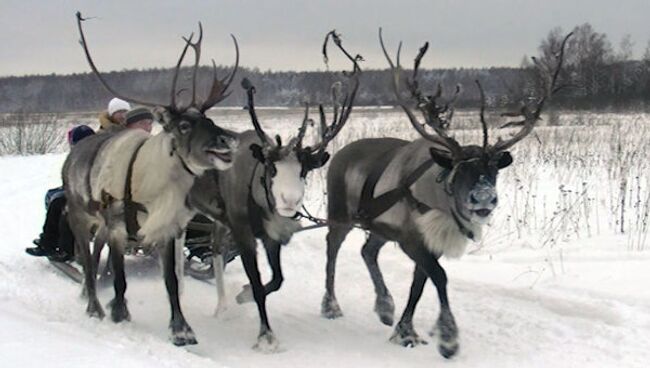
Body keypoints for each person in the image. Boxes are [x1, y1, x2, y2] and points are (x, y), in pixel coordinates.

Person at [26, 125, 95, 262]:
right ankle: (50, 240)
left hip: (91, 198)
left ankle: (62, 248)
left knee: (61, 205)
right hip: (84, 193)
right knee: (54, 196)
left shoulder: (92, 158)